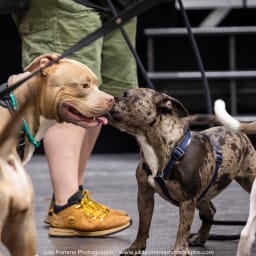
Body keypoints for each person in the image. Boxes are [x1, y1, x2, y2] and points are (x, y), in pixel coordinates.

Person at [16, 0, 138, 237]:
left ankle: (72, 198)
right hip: (65, 5)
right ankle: (66, 204)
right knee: (68, 96)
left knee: (98, 98)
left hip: (120, 5)